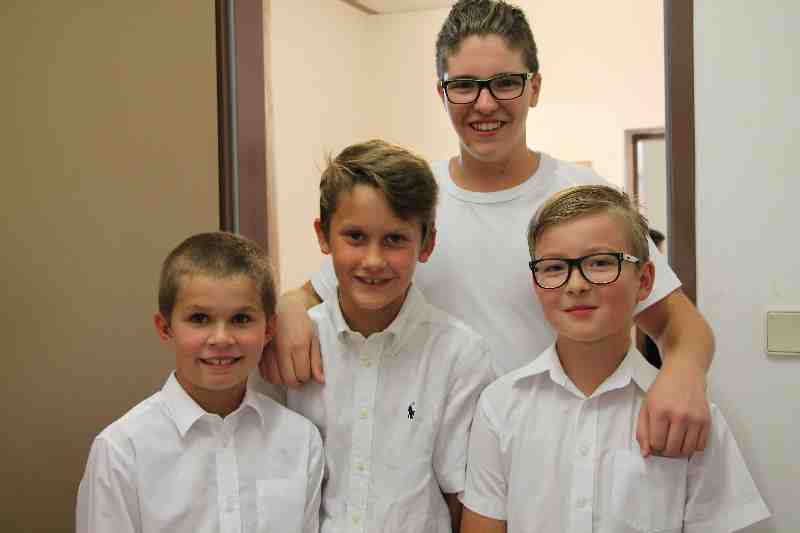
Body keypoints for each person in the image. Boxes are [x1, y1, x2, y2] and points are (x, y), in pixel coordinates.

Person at [264, 0, 714, 458]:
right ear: (442, 93)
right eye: (464, 85)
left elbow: (681, 325)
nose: (484, 103)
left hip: (557, 453)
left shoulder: (585, 197)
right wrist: (291, 307)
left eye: (505, 83)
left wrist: (682, 375)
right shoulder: (413, 202)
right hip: (437, 465)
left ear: (534, 87)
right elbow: (320, 291)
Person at [460, 185, 770, 533]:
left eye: (600, 263)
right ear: (536, 283)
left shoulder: (687, 416)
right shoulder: (500, 407)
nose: (576, 284)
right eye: (554, 268)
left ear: (645, 281)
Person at [279, 139, 494, 533]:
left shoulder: (459, 355)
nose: (374, 261)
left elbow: (463, 497)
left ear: (427, 243)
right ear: (323, 236)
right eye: (355, 237)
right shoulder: (295, 342)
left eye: (395, 239)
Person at [76, 232, 324, 533]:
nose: (221, 339)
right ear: (165, 328)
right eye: (200, 319)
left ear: (269, 329)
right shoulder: (122, 451)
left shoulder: (300, 441)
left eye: (241, 319)